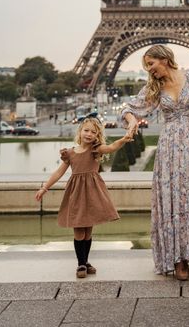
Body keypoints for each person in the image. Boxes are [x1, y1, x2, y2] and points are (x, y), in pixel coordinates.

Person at [121, 45, 189, 279]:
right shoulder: (154, 88)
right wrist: (132, 120)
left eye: (151, 64)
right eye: (147, 66)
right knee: (172, 199)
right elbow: (128, 108)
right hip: (169, 148)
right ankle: (178, 259)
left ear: (164, 59)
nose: (149, 70)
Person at [35, 116, 133, 278]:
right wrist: (45, 187)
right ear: (80, 132)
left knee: (87, 231)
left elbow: (111, 148)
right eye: (86, 130)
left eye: (93, 132)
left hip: (93, 193)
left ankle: (85, 261)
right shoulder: (70, 153)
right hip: (76, 194)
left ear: (97, 136)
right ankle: (81, 264)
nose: (89, 134)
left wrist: (123, 139)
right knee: (79, 230)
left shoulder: (96, 150)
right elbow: (59, 172)